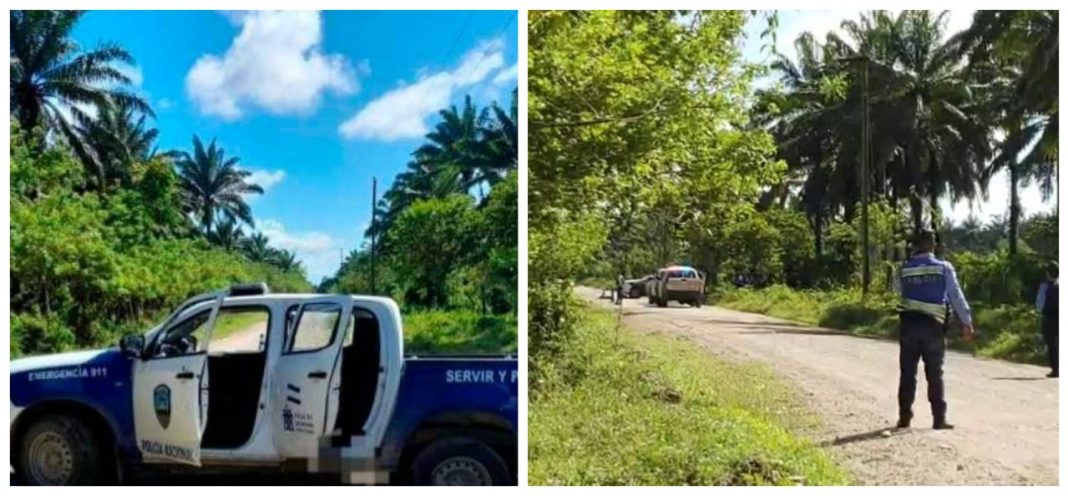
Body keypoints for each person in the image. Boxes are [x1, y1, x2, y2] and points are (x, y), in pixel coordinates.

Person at [895, 228, 975, 430]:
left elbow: (897, 291)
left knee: (907, 373)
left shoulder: (904, 268)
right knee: (935, 373)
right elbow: (956, 296)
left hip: (909, 326)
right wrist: (966, 321)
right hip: (933, 327)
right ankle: (939, 419)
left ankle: (904, 418)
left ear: (915, 245)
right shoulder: (943, 268)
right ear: (933, 244)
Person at [1036, 262, 1059, 378]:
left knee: (1051, 344)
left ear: (1047, 273)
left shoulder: (1045, 286)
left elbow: (1039, 305)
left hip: (1049, 317)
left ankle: (1056, 369)